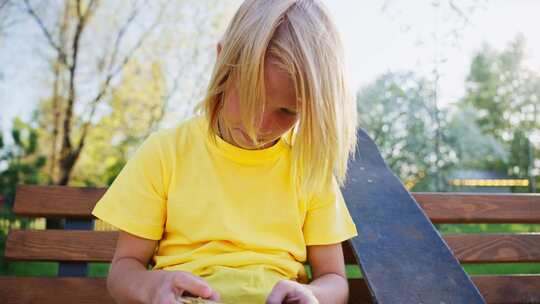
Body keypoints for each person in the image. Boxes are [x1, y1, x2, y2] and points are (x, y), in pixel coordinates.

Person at [91, 0, 358, 303]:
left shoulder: (309, 168)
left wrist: (311, 295)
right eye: (249, 97)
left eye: (286, 111)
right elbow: (124, 269)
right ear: (223, 63)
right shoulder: (165, 152)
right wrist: (152, 287)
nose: (259, 125)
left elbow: (335, 279)